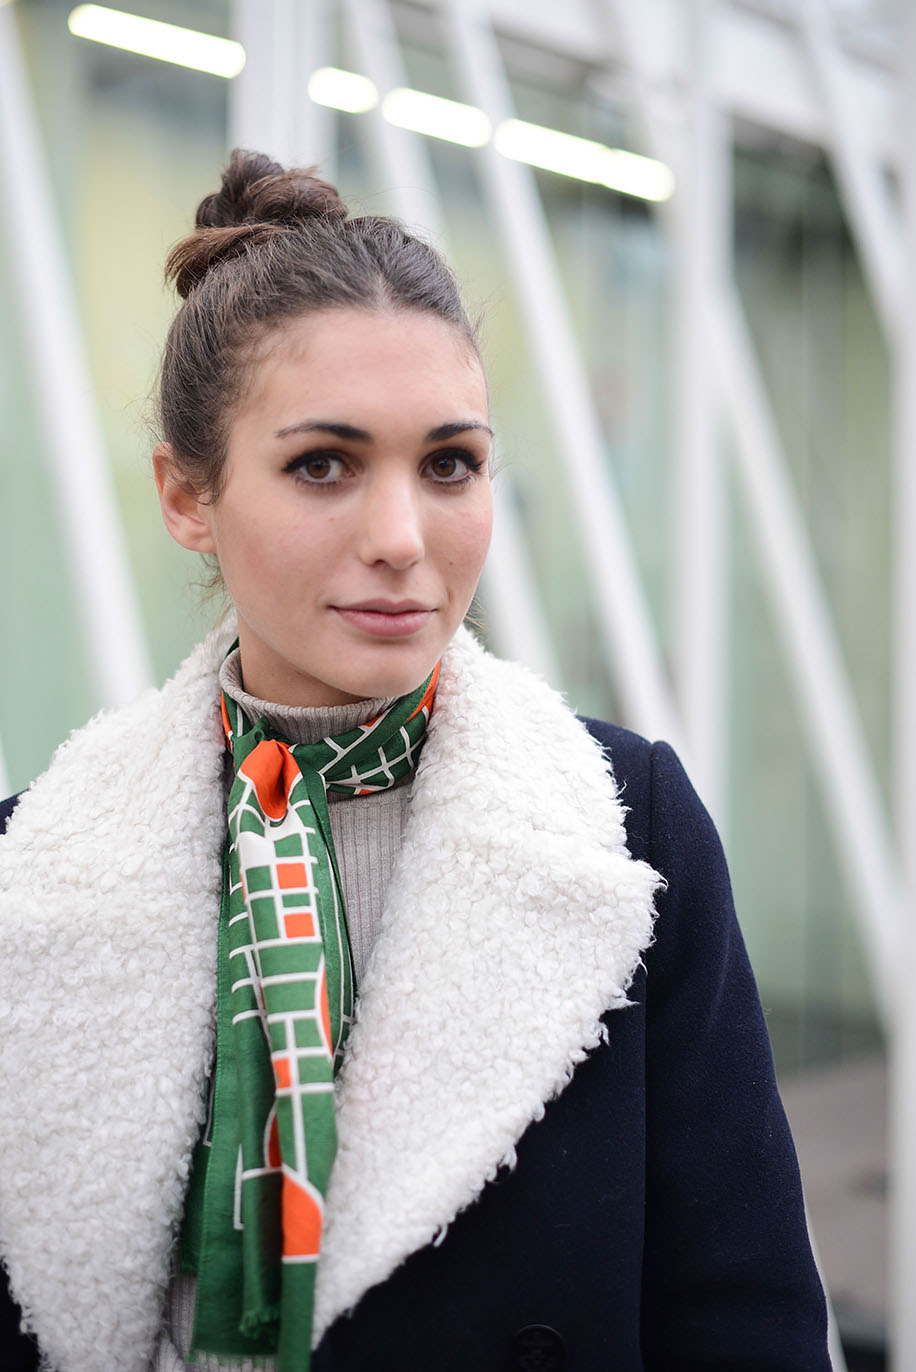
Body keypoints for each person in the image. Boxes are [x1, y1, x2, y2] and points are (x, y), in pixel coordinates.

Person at [0, 150, 830, 1372]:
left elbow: (743, 1317)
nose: (401, 538)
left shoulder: (625, 826)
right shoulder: (34, 865)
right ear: (186, 495)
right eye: (322, 464)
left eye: (449, 463)